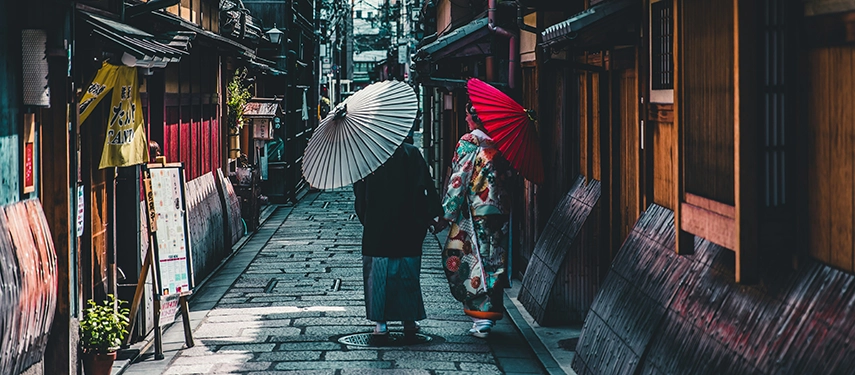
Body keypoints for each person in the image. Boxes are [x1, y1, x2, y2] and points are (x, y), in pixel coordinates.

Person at [432, 102, 512, 339]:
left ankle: (480, 317)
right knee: (493, 259)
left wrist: (446, 213)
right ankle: (487, 313)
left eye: (467, 115)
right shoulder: (500, 142)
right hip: (498, 211)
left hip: (474, 211)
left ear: (475, 118)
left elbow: (460, 179)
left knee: (468, 257)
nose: (466, 119)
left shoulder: (470, 141)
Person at [354, 136, 442, 336]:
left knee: (377, 275)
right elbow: (425, 188)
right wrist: (429, 217)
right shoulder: (411, 153)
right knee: (408, 273)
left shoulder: (368, 156)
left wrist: (368, 220)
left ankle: (380, 324)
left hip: (378, 226)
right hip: (408, 224)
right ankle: (409, 321)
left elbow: (360, 196)